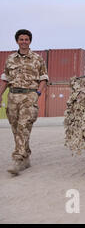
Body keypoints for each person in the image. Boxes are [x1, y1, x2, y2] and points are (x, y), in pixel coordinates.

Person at [0, 29, 48, 176]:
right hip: (13, 97)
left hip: (29, 97)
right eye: (21, 39)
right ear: (17, 41)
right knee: (16, 129)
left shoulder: (37, 59)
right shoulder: (10, 59)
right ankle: (26, 156)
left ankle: (17, 159)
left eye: (26, 39)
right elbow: (5, 78)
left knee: (23, 127)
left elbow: (44, 78)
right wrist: (0, 94)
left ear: (30, 41)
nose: (24, 42)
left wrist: (37, 93)